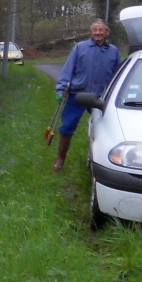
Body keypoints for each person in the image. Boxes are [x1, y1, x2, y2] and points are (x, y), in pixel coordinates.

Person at [53, 19, 121, 170]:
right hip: (77, 94)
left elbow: (118, 75)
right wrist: (61, 89)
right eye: (95, 30)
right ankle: (60, 160)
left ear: (107, 33)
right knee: (67, 126)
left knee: (103, 128)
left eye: (101, 30)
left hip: (100, 97)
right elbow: (67, 69)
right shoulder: (80, 48)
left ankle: (98, 160)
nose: (98, 33)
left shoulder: (114, 51)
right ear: (91, 32)